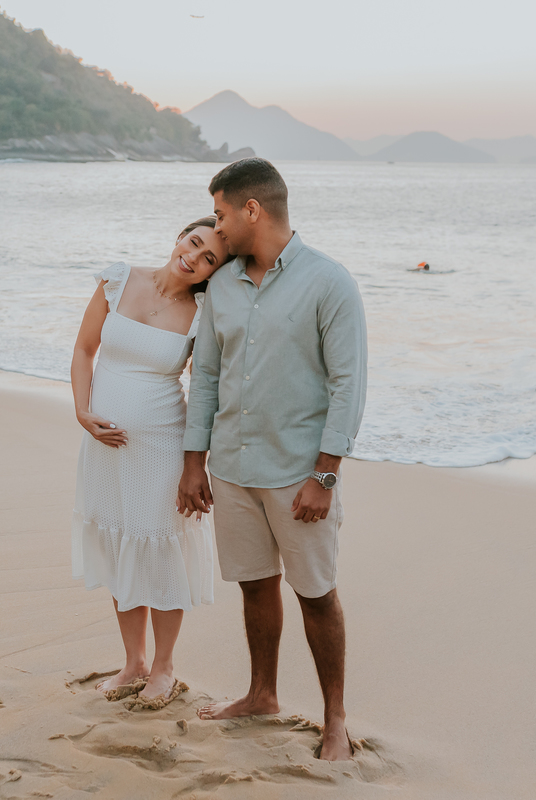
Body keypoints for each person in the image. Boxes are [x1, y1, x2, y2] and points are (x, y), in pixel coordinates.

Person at [177, 159, 367, 760]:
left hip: (298, 476)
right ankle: (262, 694)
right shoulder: (224, 285)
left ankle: (335, 719)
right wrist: (194, 462)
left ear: (251, 210)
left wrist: (325, 477)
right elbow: (205, 374)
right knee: (255, 588)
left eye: (221, 213)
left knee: (316, 594)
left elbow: (348, 386)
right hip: (231, 469)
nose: (218, 227)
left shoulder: (329, 282)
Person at [70, 217, 229, 704]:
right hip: (104, 447)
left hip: (162, 446)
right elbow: (84, 349)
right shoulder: (117, 279)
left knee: (159, 552)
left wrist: (196, 464)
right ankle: (134, 662)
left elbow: (208, 390)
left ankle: (163, 667)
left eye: (209, 261)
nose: (194, 258)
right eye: (194, 243)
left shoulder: (203, 315)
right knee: (121, 545)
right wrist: (82, 411)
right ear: (180, 236)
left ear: (211, 274)